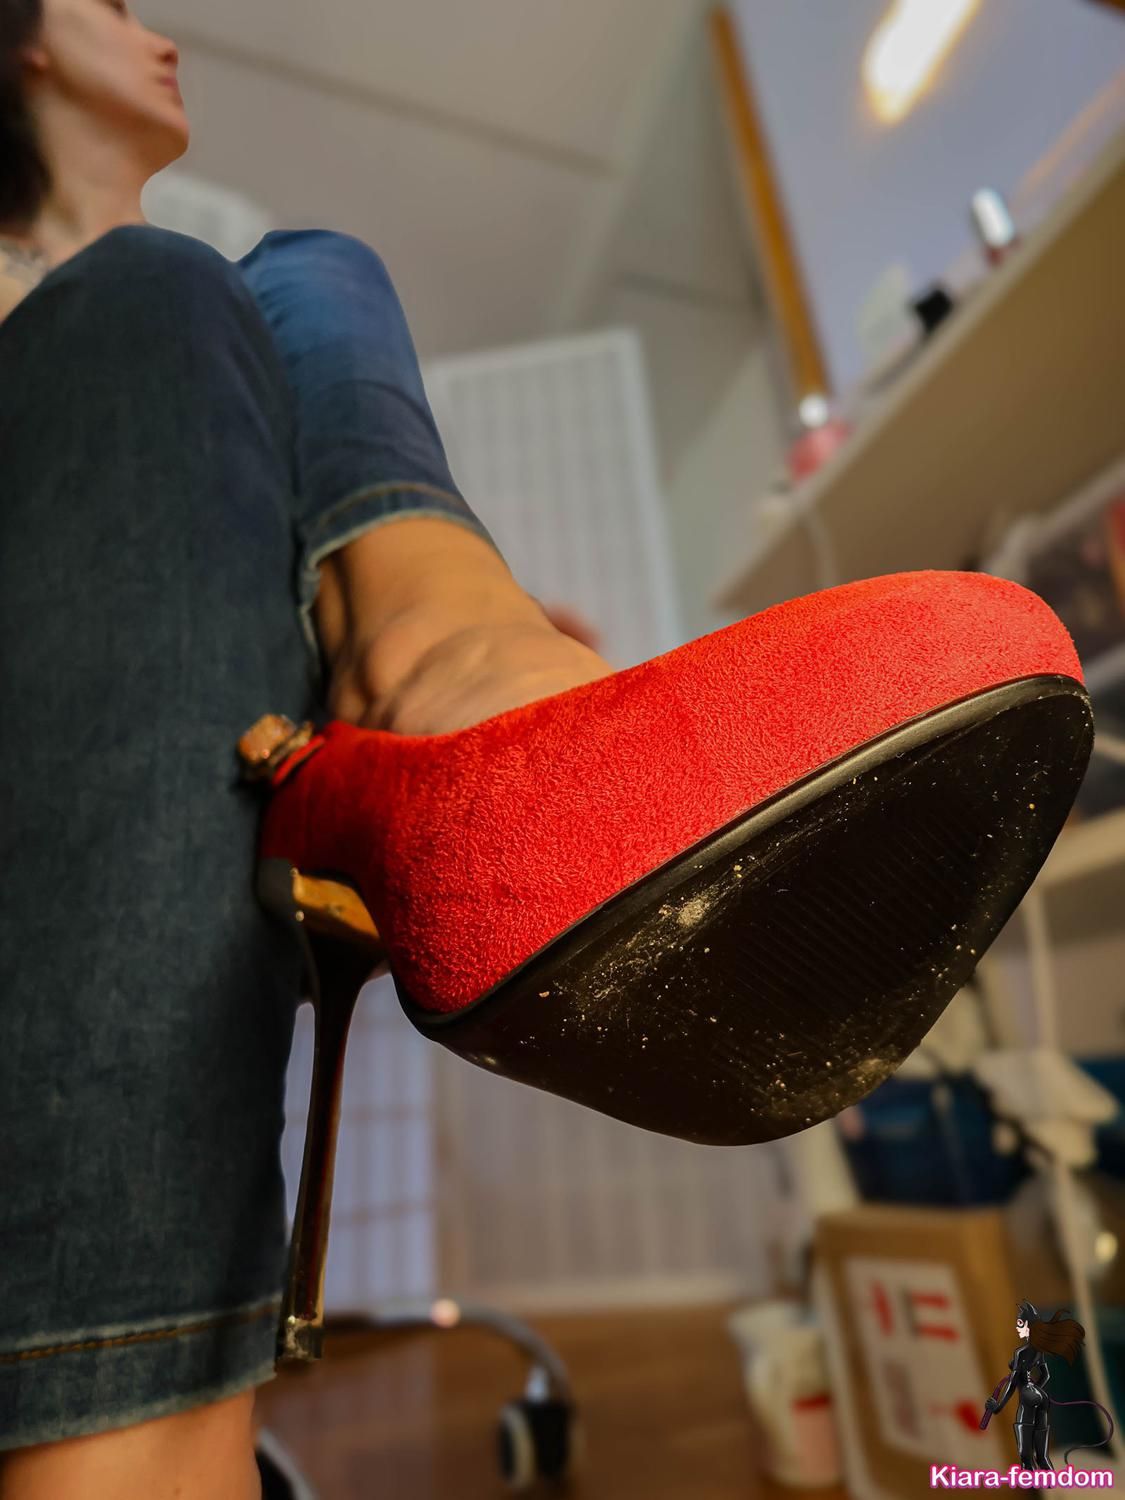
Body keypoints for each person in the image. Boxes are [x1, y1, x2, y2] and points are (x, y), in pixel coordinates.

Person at [0, 2, 613, 1495]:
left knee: (310, 269)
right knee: (160, 289)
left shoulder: (224, 361)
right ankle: (432, 666)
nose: (152, 29)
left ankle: (436, 638)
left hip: (228, 775)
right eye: (109, 3)